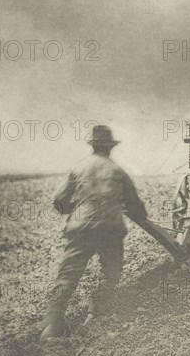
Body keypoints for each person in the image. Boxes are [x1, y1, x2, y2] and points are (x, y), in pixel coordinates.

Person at [40, 125, 147, 341]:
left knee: (67, 277)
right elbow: (137, 209)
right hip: (109, 229)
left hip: (80, 229)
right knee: (110, 273)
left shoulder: (78, 168)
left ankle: (50, 329)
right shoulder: (118, 172)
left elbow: (58, 202)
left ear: (93, 146)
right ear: (110, 148)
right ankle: (94, 317)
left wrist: (78, 209)